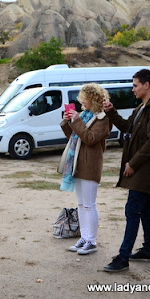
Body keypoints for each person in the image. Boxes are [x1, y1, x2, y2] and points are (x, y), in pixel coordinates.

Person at [101, 69, 150, 272]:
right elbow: (126, 127)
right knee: (144, 207)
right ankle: (148, 249)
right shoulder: (142, 107)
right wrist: (111, 111)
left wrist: (132, 163)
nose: (132, 89)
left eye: (135, 85)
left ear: (146, 85)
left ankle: (123, 257)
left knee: (132, 209)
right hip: (141, 167)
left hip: (146, 169)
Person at [60, 83, 112, 256]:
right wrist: (68, 120)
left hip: (90, 165)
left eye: (85, 98)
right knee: (81, 205)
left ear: (93, 99)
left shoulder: (102, 119)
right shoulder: (85, 115)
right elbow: (74, 137)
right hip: (78, 163)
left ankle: (92, 241)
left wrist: (77, 120)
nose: (82, 101)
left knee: (89, 204)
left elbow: (89, 138)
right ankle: (84, 237)